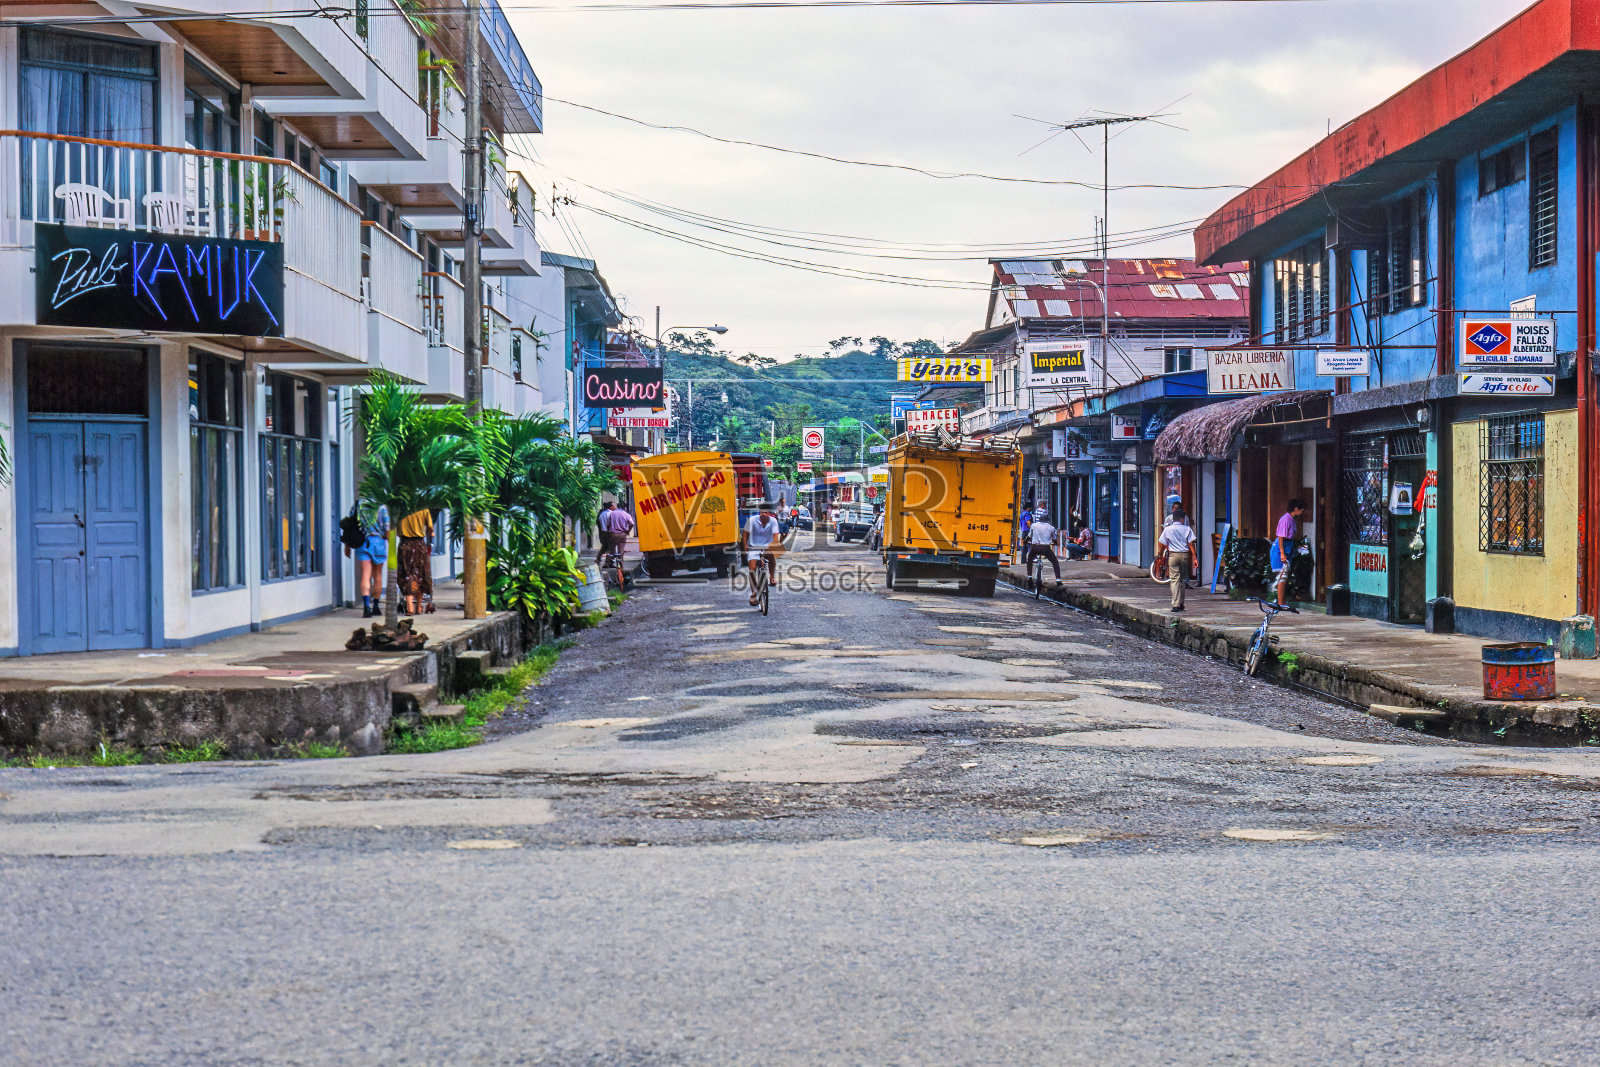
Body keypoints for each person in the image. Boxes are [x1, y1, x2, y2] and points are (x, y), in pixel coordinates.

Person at [346, 503, 389, 618]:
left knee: (365, 574)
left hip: (362, 542)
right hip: (379, 542)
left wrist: (347, 545)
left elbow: (350, 526)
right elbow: (387, 528)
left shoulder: (357, 505)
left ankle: (366, 607)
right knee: (378, 575)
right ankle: (375, 606)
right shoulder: (381, 507)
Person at [742, 500, 782, 606]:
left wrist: (772, 545)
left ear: (769, 513)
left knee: (772, 555)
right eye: (762, 512)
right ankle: (754, 594)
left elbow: (775, 536)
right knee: (752, 569)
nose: (764, 514)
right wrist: (745, 545)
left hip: (767, 547)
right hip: (754, 547)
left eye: (766, 512)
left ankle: (772, 577)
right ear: (759, 512)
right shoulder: (752, 520)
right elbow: (745, 534)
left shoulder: (773, 521)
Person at [1158, 507, 1198, 613]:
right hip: (1185, 555)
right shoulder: (1187, 529)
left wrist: (1160, 555)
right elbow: (1191, 544)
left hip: (1173, 556)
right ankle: (1181, 603)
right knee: (1183, 580)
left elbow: (1162, 543)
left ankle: (1175, 604)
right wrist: (1194, 557)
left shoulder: (1167, 529)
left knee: (1174, 580)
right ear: (1182, 518)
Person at [396, 507, 435, 616]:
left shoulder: (401, 509)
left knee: (406, 575)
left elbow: (396, 531)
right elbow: (431, 529)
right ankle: (418, 605)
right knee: (421, 575)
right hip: (419, 545)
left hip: (405, 544)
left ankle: (409, 607)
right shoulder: (423, 509)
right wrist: (428, 533)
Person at [1273, 498, 1308, 608]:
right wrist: (1282, 553)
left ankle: (1281, 600)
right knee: (1282, 576)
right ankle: (1280, 602)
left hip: (1289, 547)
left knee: (1285, 575)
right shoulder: (1286, 519)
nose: (1302, 512)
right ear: (1296, 509)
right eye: (1301, 510)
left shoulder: (1293, 520)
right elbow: (1281, 537)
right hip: (1281, 548)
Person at [1023, 507, 1061, 584]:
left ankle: (1030, 577)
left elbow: (1029, 536)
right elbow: (1054, 539)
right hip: (1046, 548)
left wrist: (1025, 541)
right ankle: (1058, 580)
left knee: (1030, 559)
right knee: (1055, 562)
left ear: (1039, 520)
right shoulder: (1051, 528)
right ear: (1047, 521)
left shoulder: (1034, 525)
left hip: (1035, 547)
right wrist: (1056, 543)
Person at [598, 500, 636, 566]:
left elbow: (608, 524)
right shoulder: (626, 514)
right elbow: (632, 524)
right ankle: (620, 565)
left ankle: (608, 563)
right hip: (622, 534)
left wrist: (608, 532)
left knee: (611, 550)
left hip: (612, 534)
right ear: (624, 507)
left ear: (618, 506)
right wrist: (628, 531)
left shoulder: (612, 513)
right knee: (621, 551)